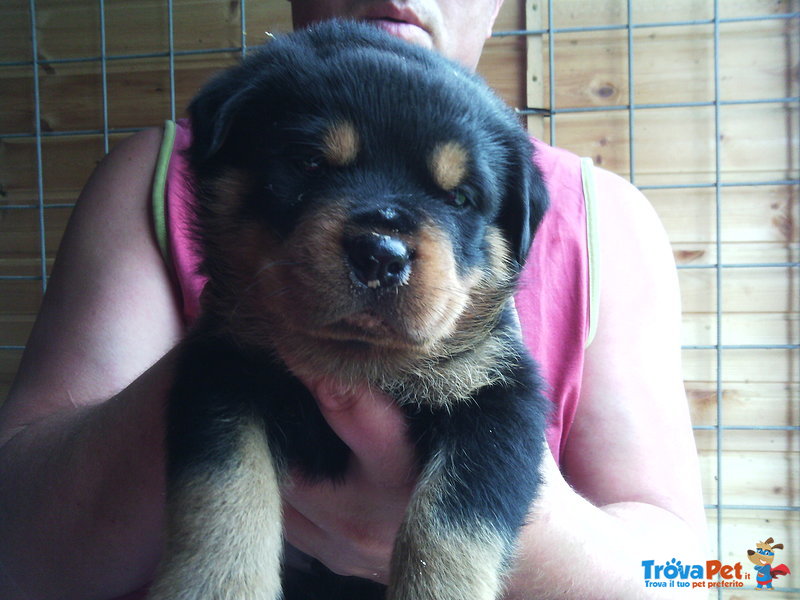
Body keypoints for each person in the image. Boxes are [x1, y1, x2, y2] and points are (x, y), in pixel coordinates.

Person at [0, 1, 707, 598]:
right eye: (310, 166)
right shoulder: (149, 182)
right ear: (217, 166)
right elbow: (16, 549)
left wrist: (524, 534)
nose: (385, 244)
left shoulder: (607, 224)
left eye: (457, 198)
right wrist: (224, 375)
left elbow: (694, 578)